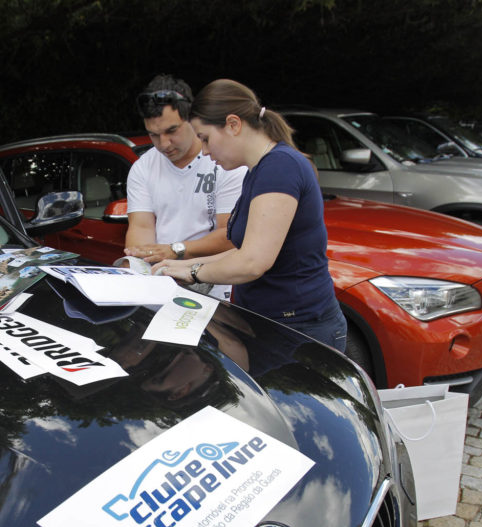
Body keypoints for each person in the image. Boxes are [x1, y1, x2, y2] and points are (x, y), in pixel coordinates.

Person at [151, 78, 347, 352]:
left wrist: (194, 272)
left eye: (206, 139)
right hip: (273, 322)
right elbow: (243, 251)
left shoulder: (279, 168)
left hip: (299, 330)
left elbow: (253, 262)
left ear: (233, 124)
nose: (205, 151)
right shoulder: (260, 170)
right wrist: (179, 266)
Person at [123, 75, 246, 300]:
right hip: (163, 286)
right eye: (153, 134)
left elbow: (230, 235)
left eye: (172, 131)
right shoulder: (143, 168)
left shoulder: (225, 161)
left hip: (220, 288)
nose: (163, 144)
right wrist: (139, 262)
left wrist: (175, 249)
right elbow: (140, 228)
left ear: (192, 119)